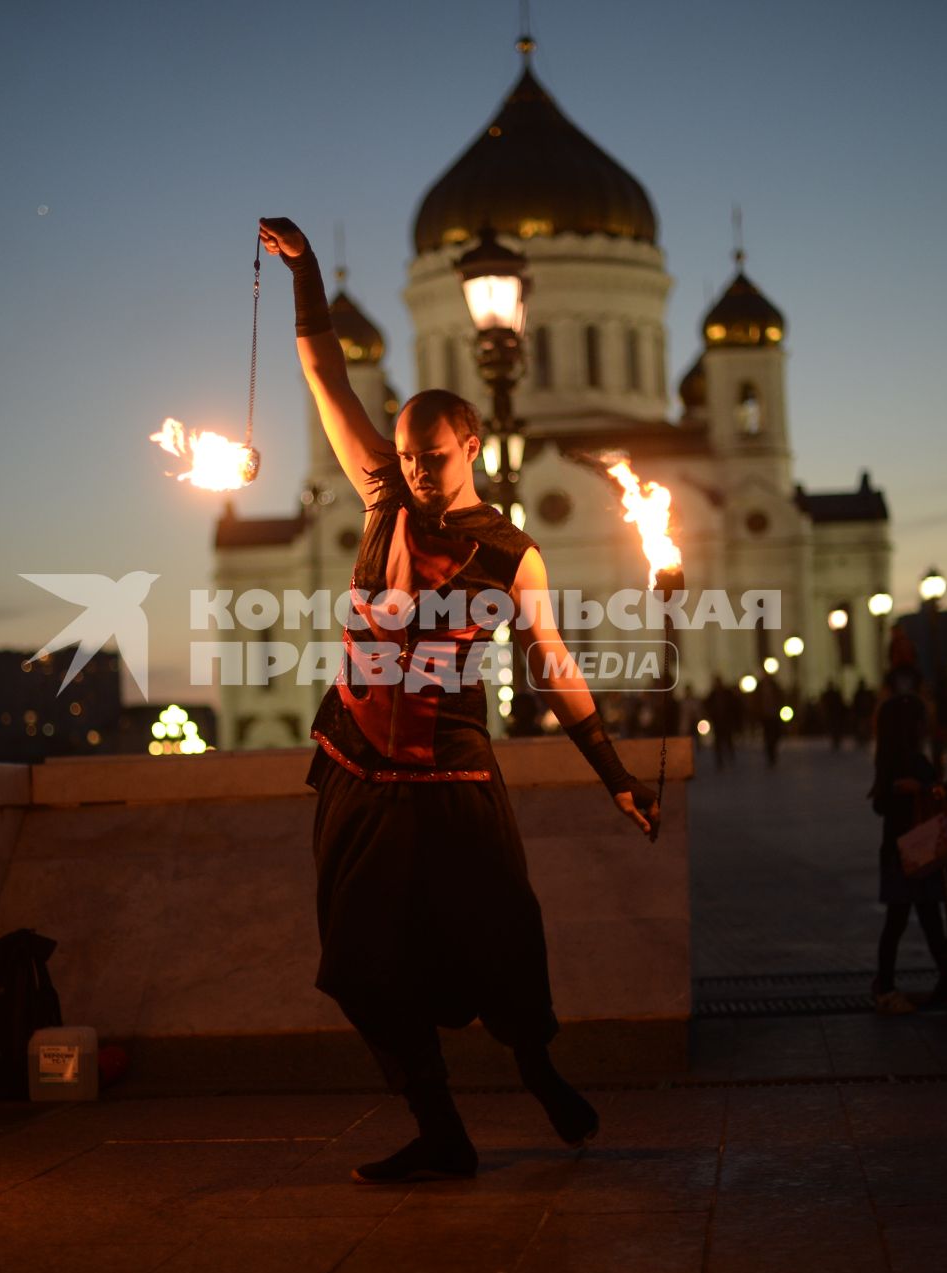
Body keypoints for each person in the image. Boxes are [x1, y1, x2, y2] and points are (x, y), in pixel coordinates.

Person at [259, 216, 659, 1185]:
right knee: (359, 970)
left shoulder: (511, 553)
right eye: (404, 457)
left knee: (498, 947)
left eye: (432, 459)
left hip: (451, 777)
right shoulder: (383, 498)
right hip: (357, 770)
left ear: (471, 446)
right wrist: (307, 273)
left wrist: (614, 779)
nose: (413, 474)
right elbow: (324, 374)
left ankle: (538, 1070)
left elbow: (555, 668)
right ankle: (441, 1131)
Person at [868, 695, 947, 1013]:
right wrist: (910, 789)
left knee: (927, 919)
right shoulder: (901, 762)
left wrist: (944, 789)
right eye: (918, 720)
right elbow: (882, 802)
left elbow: (930, 793)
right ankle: (885, 988)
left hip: (915, 850)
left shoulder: (904, 759)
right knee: (903, 920)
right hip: (909, 851)